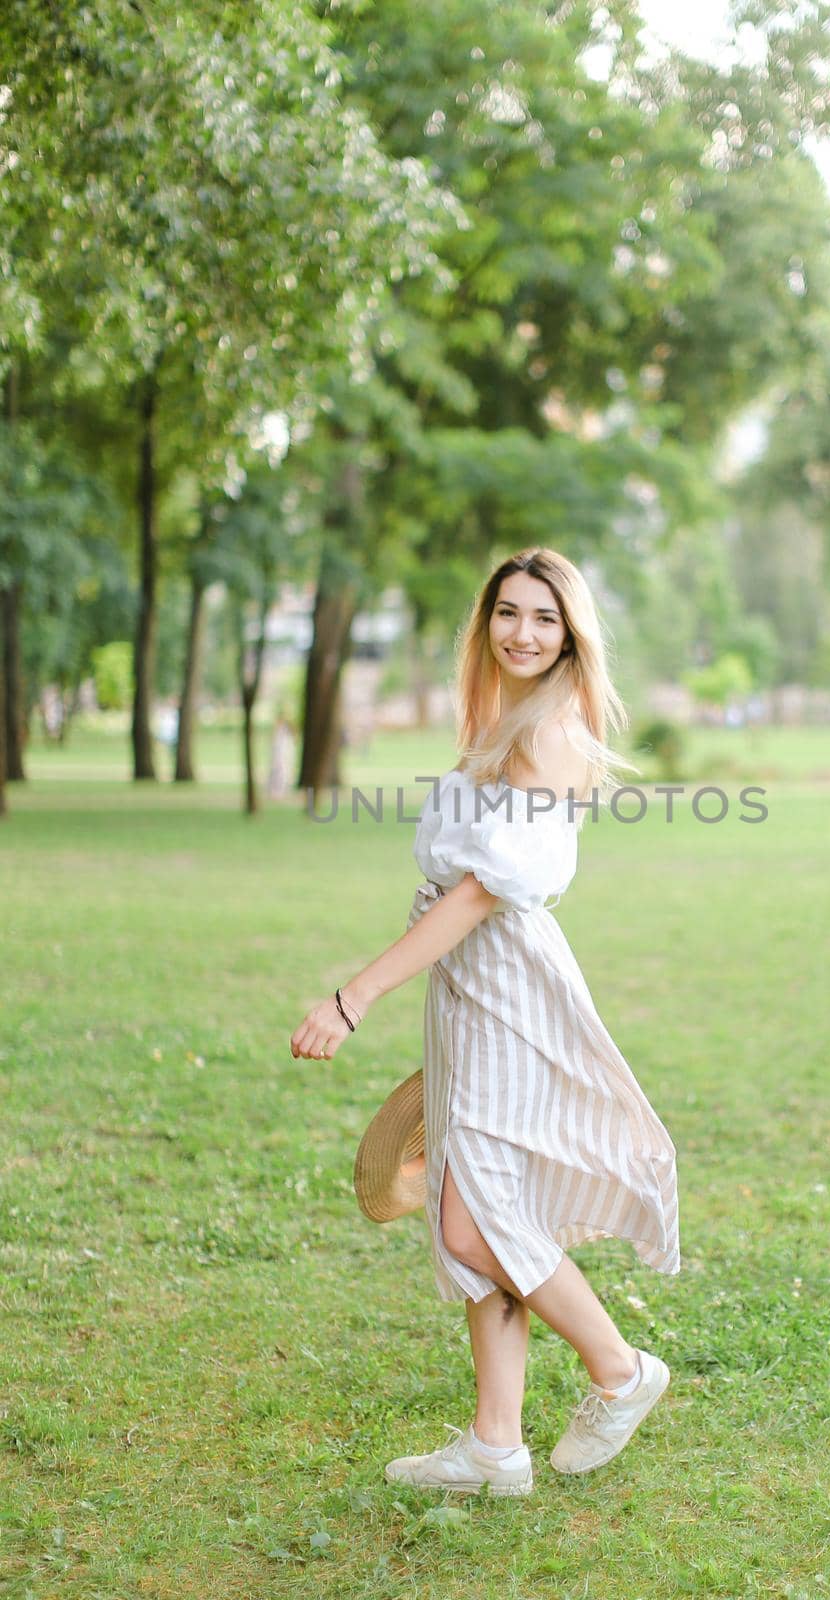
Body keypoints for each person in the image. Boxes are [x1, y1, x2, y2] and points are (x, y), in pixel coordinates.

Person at [290, 548, 681, 1496]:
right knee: (476, 1201)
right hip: (466, 984)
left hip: (503, 981)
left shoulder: (547, 730)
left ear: (571, 633)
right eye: (508, 613)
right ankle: (495, 1446)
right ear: (486, 622)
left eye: (545, 619)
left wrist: (356, 994)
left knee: (478, 1224)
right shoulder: (498, 718)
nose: (523, 633)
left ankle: (621, 1370)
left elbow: (475, 897)